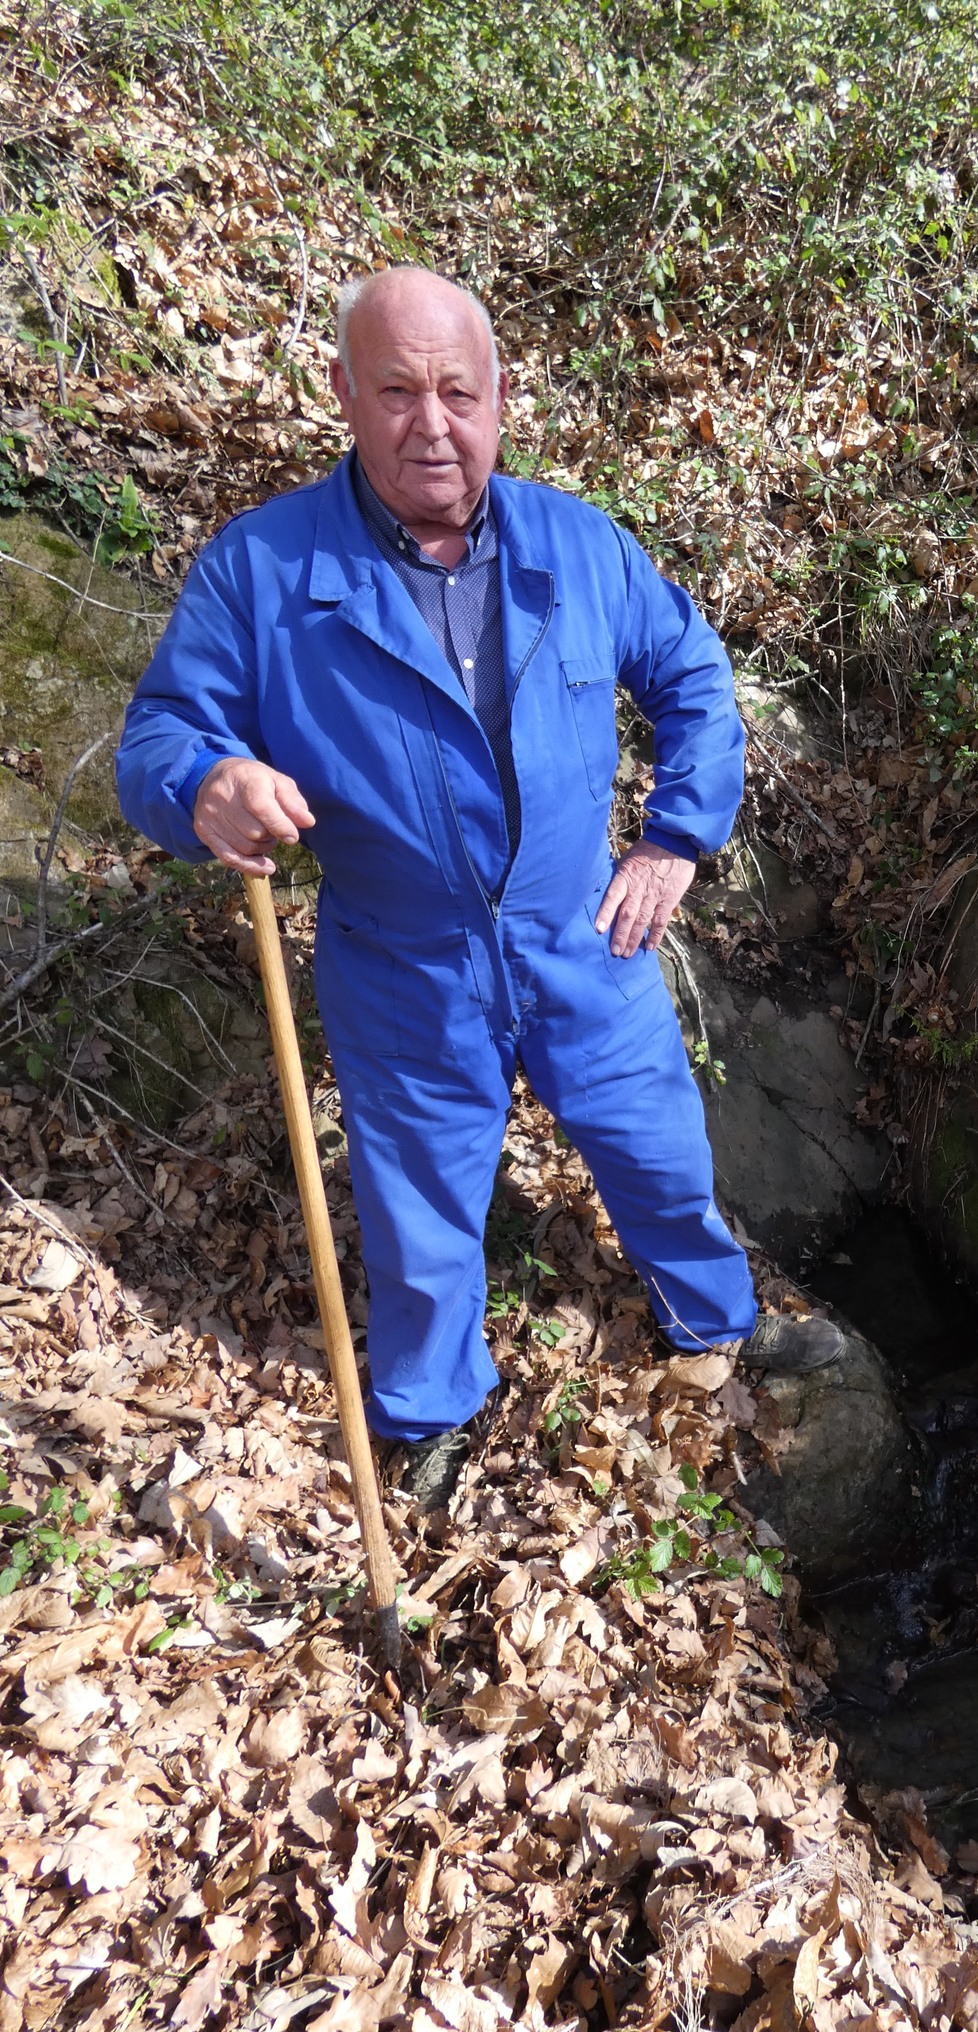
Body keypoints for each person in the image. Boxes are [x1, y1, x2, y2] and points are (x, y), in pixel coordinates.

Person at [117, 265, 844, 1507]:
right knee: (420, 1212)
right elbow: (157, 742)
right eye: (396, 390)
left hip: (582, 936)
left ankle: (715, 1319)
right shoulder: (261, 571)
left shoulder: (579, 542)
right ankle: (431, 1409)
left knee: (663, 1150)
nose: (431, 423)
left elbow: (694, 677)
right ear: (344, 394)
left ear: (500, 395)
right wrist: (206, 785)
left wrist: (674, 840)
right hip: (404, 960)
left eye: (458, 389)